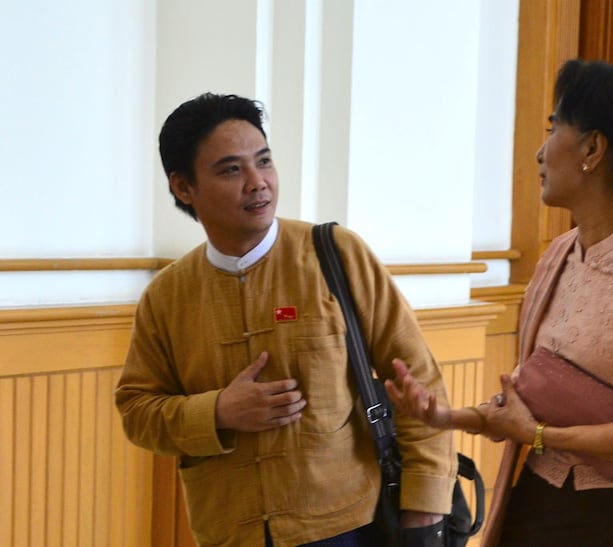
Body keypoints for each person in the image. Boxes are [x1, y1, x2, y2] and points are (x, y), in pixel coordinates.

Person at [385, 58, 613, 547]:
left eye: (553, 128)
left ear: (593, 149)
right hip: (540, 501)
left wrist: (539, 436)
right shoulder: (558, 254)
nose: (539, 152)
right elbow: (528, 399)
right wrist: (445, 417)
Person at [115, 92, 457, 547]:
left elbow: (416, 379)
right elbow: (137, 411)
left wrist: (426, 510)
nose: (258, 182)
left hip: (348, 525)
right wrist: (217, 412)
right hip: (229, 531)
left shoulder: (336, 254)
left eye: (264, 161)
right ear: (183, 187)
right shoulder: (167, 295)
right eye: (231, 170)